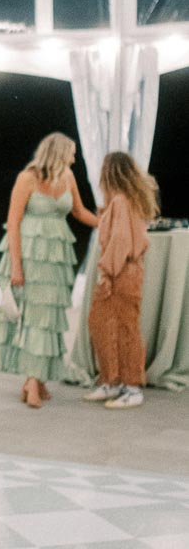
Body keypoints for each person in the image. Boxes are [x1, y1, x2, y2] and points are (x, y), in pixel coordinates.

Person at [0, 132, 97, 409]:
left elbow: (79, 211)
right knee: (31, 318)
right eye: (71, 153)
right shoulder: (26, 178)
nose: (73, 159)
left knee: (48, 318)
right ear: (58, 153)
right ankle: (32, 380)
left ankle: (38, 378)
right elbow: (13, 222)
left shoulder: (68, 176)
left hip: (55, 258)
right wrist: (16, 267)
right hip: (29, 254)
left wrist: (106, 223)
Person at [83, 151, 158, 410]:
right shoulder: (127, 200)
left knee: (123, 329)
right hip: (127, 272)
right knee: (106, 325)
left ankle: (130, 386)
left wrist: (106, 272)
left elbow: (120, 242)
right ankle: (112, 380)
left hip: (120, 272)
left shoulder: (121, 202)